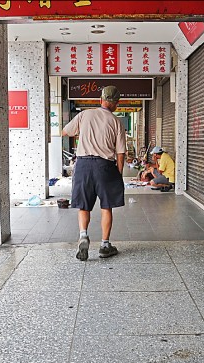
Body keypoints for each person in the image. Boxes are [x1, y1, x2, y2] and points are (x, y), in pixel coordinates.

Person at [62, 85, 126, 261]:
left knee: (83, 206)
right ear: (116, 104)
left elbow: (65, 131)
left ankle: (83, 235)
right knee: (107, 206)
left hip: (83, 165)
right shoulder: (116, 122)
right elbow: (121, 153)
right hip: (105, 166)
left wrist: (83, 136)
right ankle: (105, 245)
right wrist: (118, 175)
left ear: (100, 100)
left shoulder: (84, 115)